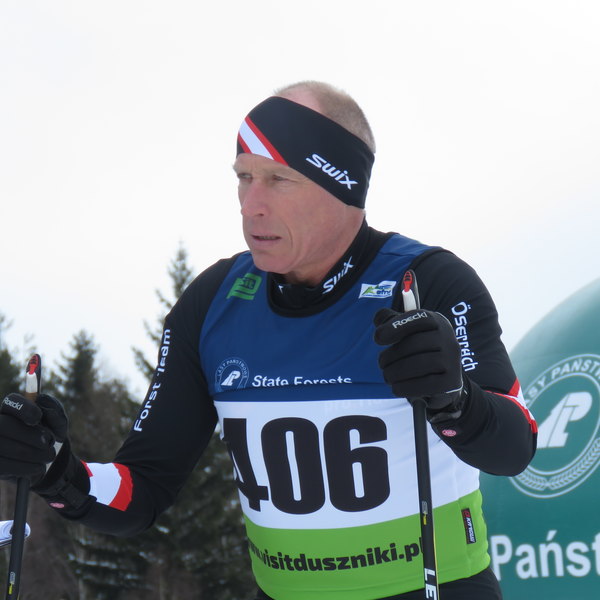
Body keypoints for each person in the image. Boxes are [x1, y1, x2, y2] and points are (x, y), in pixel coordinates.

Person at [0, 81, 537, 600]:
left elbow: (515, 446)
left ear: (342, 184)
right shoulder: (214, 301)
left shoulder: (428, 282)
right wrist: (55, 470)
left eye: (279, 179)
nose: (250, 204)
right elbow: (141, 490)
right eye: (243, 177)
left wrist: (455, 400)